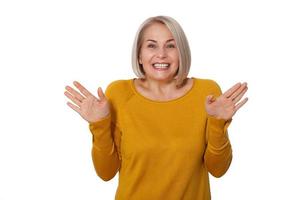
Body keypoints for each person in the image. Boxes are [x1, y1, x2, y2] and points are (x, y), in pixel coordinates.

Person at [64, 15, 248, 200]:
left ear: (181, 52)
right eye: (151, 45)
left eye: (171, 45)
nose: (161, 54)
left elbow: (218, 170)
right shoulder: (118, 93)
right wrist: (100, 125)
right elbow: (106, 173)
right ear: (139, 55)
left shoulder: (206, 92)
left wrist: (218, 123)